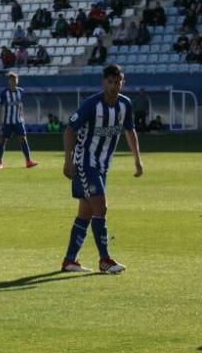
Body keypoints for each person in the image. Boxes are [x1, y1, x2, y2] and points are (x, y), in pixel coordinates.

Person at [61, 64, 144, 274]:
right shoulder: (91, 105)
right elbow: (70, 130)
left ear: (122, 83)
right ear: (103, 83)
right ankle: (104, 260)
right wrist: (68, 161)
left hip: (102, 166)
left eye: (118, 82)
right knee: (101, 207)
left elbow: (130, 131)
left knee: (86, 213)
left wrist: (137, 160)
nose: (114, 86)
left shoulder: (125, 105)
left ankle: (69, 261)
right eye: (110, 82)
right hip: (85, 163)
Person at [0, 72, 38, 168]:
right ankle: (0, 162)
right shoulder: (4, 93)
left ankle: (28, 161)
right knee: (2, 140)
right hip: (7, 122)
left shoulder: (21, 91)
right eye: (11, 80)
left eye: (15, 80)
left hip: (18, 121)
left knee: (23, 139)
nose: (13, 82)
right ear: (8, 81)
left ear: (17, 81)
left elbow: (21, 105)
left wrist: (22, 116)